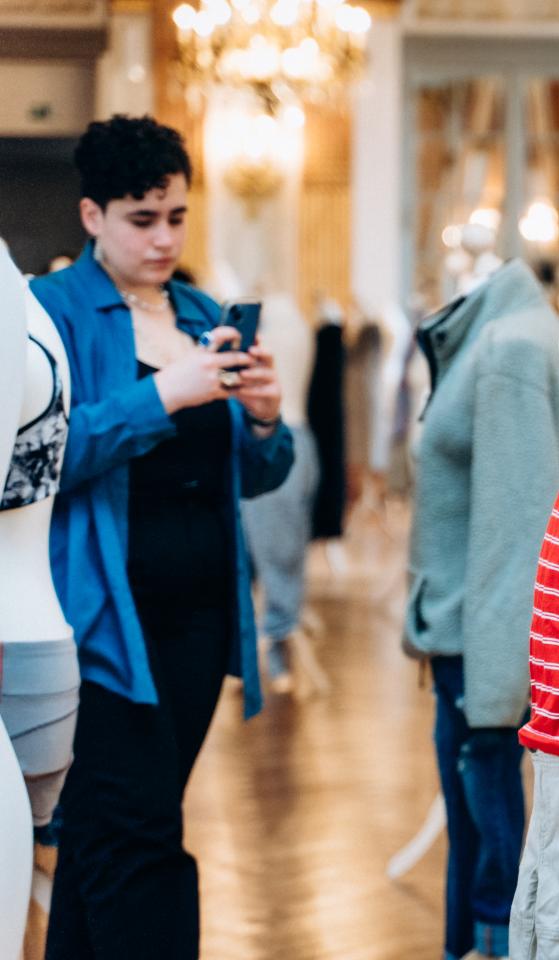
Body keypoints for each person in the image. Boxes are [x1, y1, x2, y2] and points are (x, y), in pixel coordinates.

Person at [29, 114, 294, 960]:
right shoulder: (52, 312)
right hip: (103, 620)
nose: (164, 237)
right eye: (142, 219)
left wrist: (264, 422)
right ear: (91, 217)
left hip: (199, 620)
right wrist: (164, 396)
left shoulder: (202, 311)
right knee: (142, 838)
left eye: (176, 216)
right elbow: (41, 457)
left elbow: (252, 478)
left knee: (111, 837)